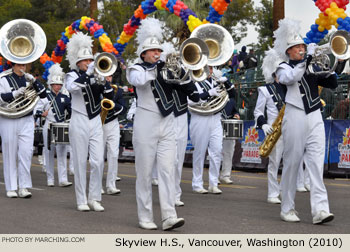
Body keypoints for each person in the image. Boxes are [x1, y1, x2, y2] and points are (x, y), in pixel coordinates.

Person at [275, 21, 336, 224]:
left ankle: (320, 210)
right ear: (289, 51)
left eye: (303, 46)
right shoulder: (283, 67)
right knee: (292, 164)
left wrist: (333, 63)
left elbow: (332, 83)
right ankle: (287, 208)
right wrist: (307, 60)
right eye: (298, 47)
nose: (302, 49)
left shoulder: (310, 65)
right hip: (294, 115)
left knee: (316, 164)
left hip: (315, 115)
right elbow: (290, 78)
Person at [126, 36, 184, 231]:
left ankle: (169, 216)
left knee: (168, 170)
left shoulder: (165, 69)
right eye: (153, 51)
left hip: (167, 122)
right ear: (143, 53)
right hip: (145, 121)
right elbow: (139, 81)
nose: (157, 54)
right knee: (144, 172)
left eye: (159, 50)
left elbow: (183, 82)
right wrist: (158, 69)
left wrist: (179, 70)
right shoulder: (136, 68)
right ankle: (145, 216)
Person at [65, 32, 114, 212]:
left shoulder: (96, 75)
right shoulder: (71, 75)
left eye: (89, 60)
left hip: (95, 121)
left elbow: (109, 96)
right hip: (78, 119)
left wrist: (105, 81)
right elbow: (72, 88)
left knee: (98, 161)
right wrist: (89, 74)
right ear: (78, 63)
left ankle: (95, 198)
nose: (88, 63)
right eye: (85, 61)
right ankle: (81, 199)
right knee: (79, 161)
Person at [0, 62, 46, 198]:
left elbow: (43, 96)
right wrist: (14, 94)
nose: (22, 68)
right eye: (20, 64)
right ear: (13, 65)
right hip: (8, 118)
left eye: (24, 65)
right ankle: (11, 187)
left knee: (26, 153)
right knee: (10, 153)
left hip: (26, 118)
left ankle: (24, 187)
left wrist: (34, 82)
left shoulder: (29, 80)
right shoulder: (3, 79)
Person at [189, 66, 236, 194]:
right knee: (199, 152)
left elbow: (233, 96)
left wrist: (226, 82)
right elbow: (191, 101)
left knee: (217, 151)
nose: (209, 70)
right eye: (206, 68)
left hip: (215, 118)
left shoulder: (217, 82)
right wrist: (209, 93)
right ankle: (197, 183)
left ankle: (213, 183)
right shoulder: (193, 82)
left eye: (210, 68)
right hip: (200, 118)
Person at [36, 63, 72, 187]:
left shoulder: (65, 97)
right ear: (51, 85)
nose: (58, 86)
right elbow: (37, 110)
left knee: (62, 153)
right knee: (49, 152)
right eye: (56, 84)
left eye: (60, 85)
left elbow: (71, 110)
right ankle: (50, 179)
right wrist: (42, 113)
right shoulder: (45, 96)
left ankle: (63, 179)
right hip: (49, 125)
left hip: (61, 125)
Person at [254, 73, 286, 204]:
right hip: (275, 129)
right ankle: (272, 193)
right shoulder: (266, 89)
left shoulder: (292, 87)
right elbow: (258, 111)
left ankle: (285, 191)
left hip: (292, 127)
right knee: (274, 163)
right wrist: (263, 124)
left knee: (291, 163)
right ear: (274, 74)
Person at [172, 74, 199, 206]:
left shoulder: (184, 77)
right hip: (165, 116)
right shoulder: (158, 71)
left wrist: (183, 78)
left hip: (181, 116)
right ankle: (166, 193)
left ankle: (176, 194)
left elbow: (195, 96)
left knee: (178, 160)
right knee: (169, 161)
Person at [102, 83, 126, 195]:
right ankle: (97, 185)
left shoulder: (118, 91)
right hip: (99, 123)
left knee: (113, 154)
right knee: (98, 156)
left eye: (110, 76)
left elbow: (123, 107)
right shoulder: (97, 87)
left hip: (113, 123)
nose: (108, 78)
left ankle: (111, 185)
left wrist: (112, 106)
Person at [220, 97, 240, 184]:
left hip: (229, 123)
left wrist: (236, 114)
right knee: (216, 151)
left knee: (229, 151)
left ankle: (225, 175)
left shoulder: (231, 98)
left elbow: (234, 110)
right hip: (216, 122)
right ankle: (214, 176)